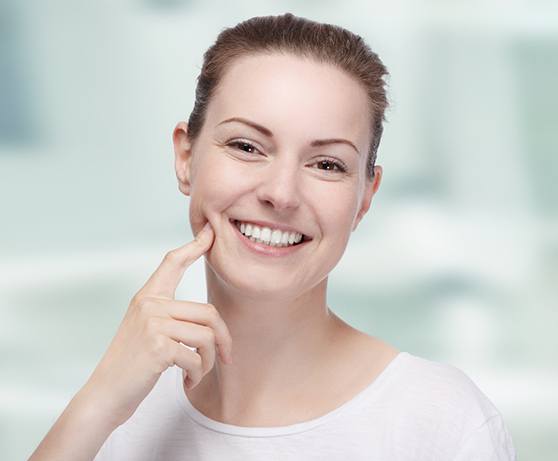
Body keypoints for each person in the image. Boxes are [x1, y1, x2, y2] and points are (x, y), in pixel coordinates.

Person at [29, 12, 517, 461]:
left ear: (365, 197)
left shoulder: (443, 425)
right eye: (246, 146)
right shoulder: (119, 410)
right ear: (185, 157)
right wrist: (96, 404)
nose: (281, 194)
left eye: (327, 164)